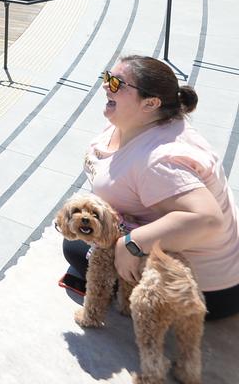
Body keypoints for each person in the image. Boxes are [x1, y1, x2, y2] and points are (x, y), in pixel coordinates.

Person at [61, 56, 239, 320]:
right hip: (212, 274)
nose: (106, 86)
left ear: (151, 103)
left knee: (74, 247)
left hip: (203, 289)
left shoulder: (160, 160)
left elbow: (208, 219)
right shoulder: (135, 122)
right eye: (108, 77)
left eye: (118, 83)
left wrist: (132, 245)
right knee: (80, 235)